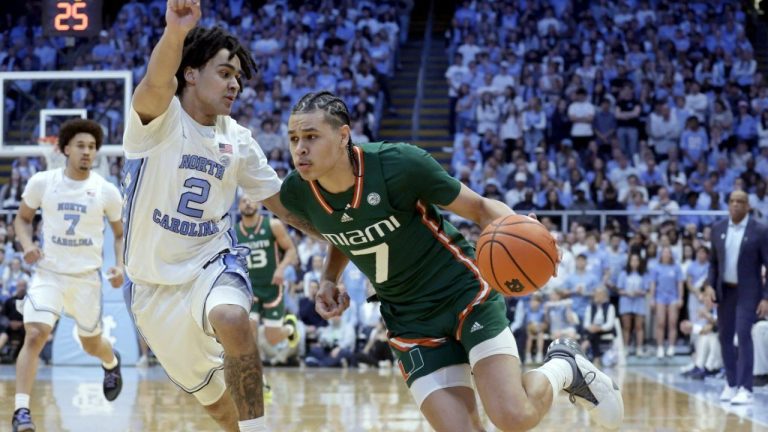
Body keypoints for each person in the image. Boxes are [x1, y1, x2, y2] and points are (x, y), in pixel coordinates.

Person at [280, 91, 623, 431]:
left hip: (463, 293)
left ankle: (565, 365)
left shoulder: (398, 164)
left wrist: (529, 233)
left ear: (343, 136)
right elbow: (341, 228)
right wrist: (329, 278)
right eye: (294, 138)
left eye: (311, 136)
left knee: (512, 417)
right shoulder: (298, 191)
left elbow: (479, 209)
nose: (300, 149)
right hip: (408, 320)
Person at [122, 3, 316, 431]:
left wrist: (340, 238)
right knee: (215, 405)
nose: (235, 85)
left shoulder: (238, 139)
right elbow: (157, 80)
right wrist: (175, 32)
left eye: (239, 78)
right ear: (190, 73)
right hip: (152, 287)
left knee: (232, 318)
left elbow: (282, 204)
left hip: (213, 261)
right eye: (225, 73)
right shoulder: (156, 120)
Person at [12, 118, 125, 432]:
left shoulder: (106, 191)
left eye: (92, 147)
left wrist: (120, 265)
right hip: (49, 274)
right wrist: (27, 244)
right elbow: (21, 220)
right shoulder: (42, 182)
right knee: (35, 334)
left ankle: (111, 362)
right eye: (81, 146)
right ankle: (21, 411)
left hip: (86, 279)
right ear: (64, 149)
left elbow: (119, 234)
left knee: (92, 345)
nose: (87, 152)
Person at [704, 190, 768, 405]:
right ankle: (731, 384)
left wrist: (766, 298)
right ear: (728, 204)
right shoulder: (718, 229)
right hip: (725, 291)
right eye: (732, 201)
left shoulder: (760, 230)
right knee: (724, 336)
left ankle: (746, 388)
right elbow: (713, 263)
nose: (736, 205)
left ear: (748, 205)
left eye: (741, 202)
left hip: (749, 292)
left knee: (743, 334)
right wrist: (709, 286)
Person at [235, 196, 299, 350]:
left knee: (273, 338)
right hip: (250, 289)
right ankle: (254, 371)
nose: (248, 203)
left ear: (258, 203)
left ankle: (290, 327)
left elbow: (291, 250)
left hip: (272, 286)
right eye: (244, 201)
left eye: (251, 200)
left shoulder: (272, 225)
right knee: (249, 335)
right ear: (238, 207)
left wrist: (281, 268)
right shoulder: (235, 232)